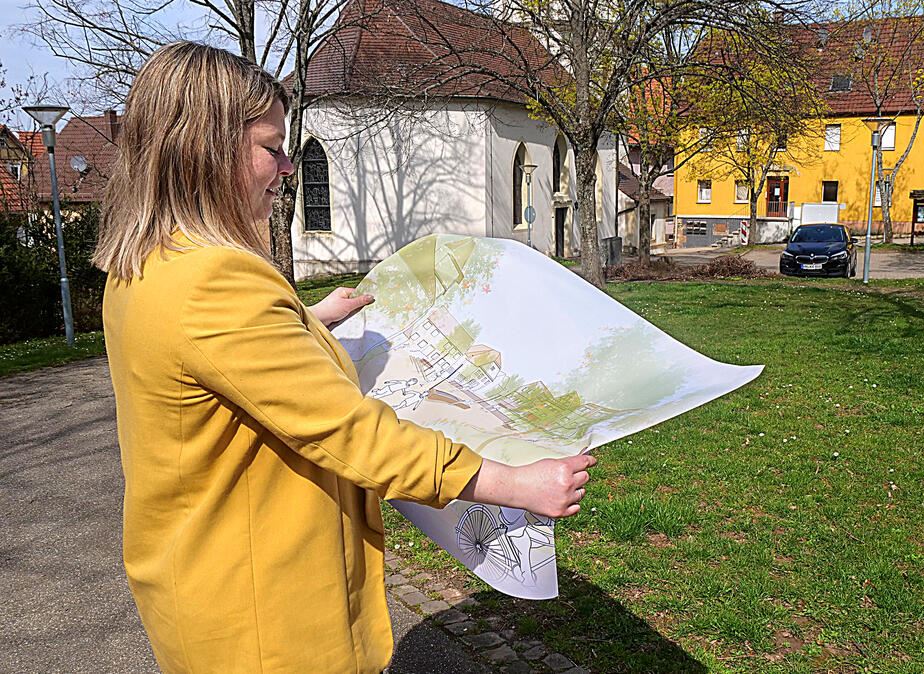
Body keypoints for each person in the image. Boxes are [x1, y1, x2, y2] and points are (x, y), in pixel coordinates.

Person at [95, 41, 594, 673]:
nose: (286, 168)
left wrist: (308, 321)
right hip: (266, 619)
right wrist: (512, 483)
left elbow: (222, 363)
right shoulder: (215, 282)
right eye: (272, 148)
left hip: (200, 582)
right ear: (208, 150)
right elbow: (349, 433)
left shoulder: (144, 264)